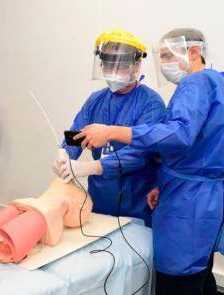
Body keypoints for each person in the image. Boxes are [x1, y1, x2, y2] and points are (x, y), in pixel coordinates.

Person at [72, 28, 224, 295]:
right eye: (107, 62)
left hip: (182, 203)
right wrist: (64, 153)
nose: (163, 63)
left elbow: (176, 136)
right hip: (199, 197)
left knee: (178, 289)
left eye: (167, 55)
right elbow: (193, 151)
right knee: (199, 280)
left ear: (192, 52)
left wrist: (109, 140)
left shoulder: (192, 84)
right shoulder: (223, 86)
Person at [54, 29, 165, 227]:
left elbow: (138, 155)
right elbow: (76, 135)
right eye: (107, 65)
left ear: (136, 65)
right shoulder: (96, 100)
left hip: (137, 198)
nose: (112, 73)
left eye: (119, 66)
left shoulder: (151, 103)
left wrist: (89, 167)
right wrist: (65, 154)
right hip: (100, 196)